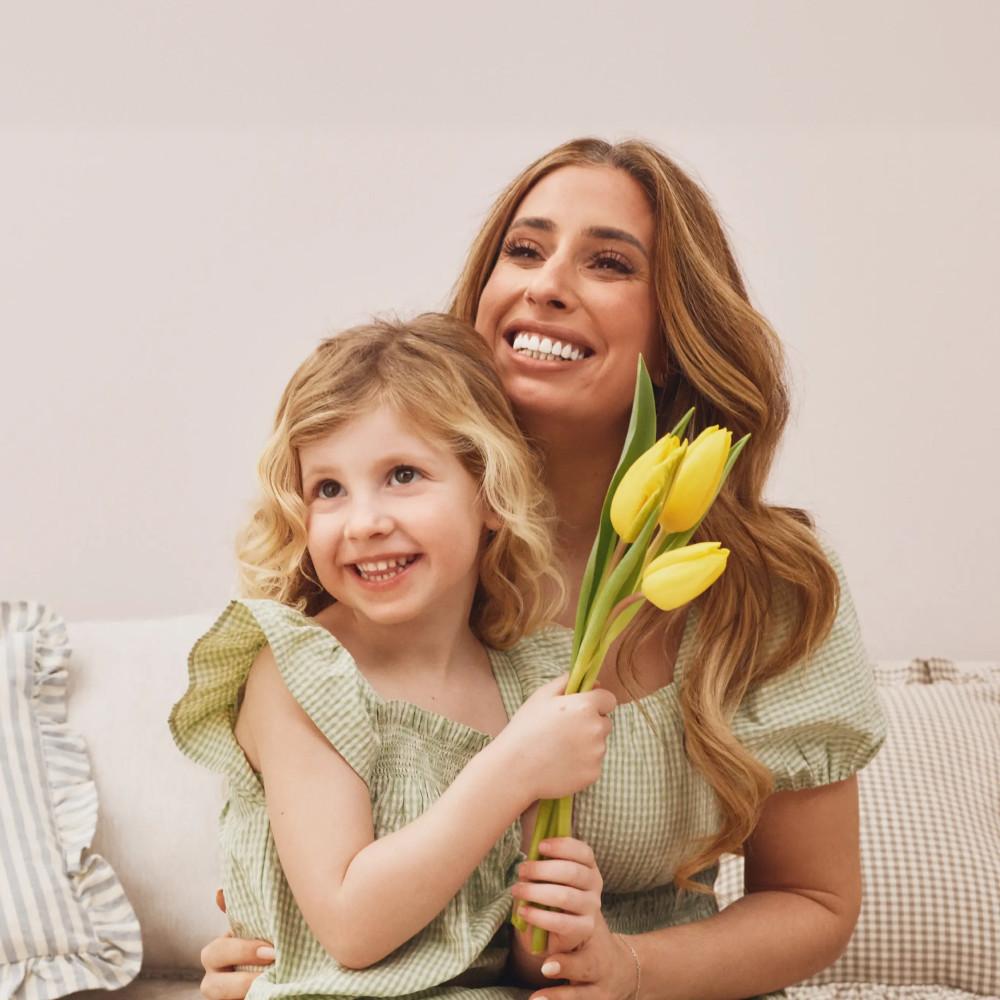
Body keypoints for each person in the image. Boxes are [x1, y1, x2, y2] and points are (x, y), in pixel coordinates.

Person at [199, 138, 887, 1000]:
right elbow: (337, 875)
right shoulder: (397, 578)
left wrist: (630, 970)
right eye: (523, 250)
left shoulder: (763, 588)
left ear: (676, 336)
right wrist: (280, 951)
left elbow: (815, 899)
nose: (547, 284)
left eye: (608, 263)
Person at [169, 314, 620, 1000]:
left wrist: (560, 917)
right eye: (328, 489)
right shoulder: (301, 671)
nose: (363, 521)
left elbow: (515, 966)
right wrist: (512, 768)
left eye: (402, 474)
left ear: (491, 491)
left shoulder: (525, 682)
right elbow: (351, 927)